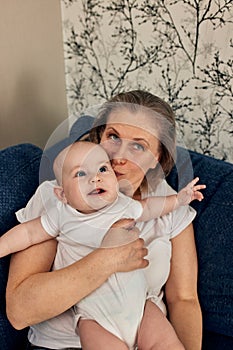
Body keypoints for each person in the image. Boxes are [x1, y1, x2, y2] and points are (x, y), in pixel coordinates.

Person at [6, 90, 203, 350]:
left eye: (138, 145)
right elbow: (19, 311)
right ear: (99, 137)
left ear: (157, 156)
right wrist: (107, 259)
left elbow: (184, 300)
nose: (119, 155)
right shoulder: (61, 199)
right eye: (113, 137)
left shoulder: (169, 204)